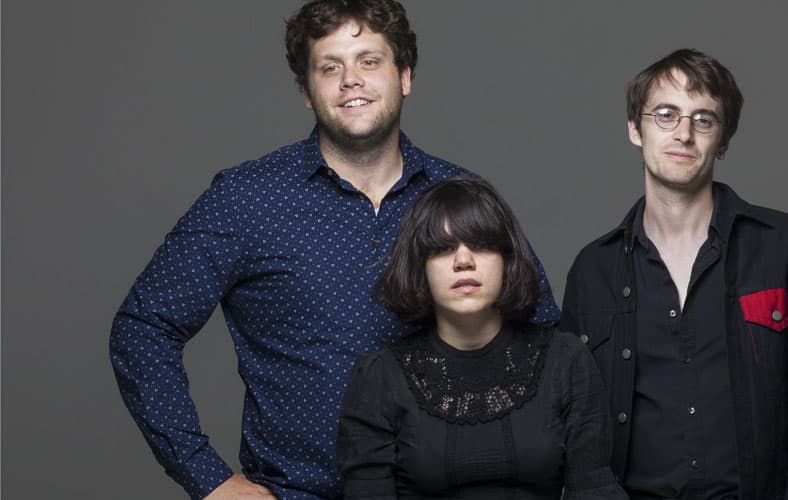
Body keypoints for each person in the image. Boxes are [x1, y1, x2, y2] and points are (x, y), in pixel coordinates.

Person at [109, 1, 559, 499]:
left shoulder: (461, 196)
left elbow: (543, 337)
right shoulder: (246, 199)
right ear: (307, 91)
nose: (351, 81)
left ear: (404, 76)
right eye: (330, 67)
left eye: (369, 61)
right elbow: (143, 329)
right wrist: (208, 478)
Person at [560, 49, 788, 500]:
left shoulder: (781, 245)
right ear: (635, 129)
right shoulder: (592, 269)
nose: (684, 134)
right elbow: (573, 422)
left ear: (724, 140)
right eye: (665, 115)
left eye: (704, 119)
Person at [336, 177, 626, 500]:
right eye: (443, 249)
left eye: (481, 244)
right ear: (421, 268)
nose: (464, 261)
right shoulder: (379, 378)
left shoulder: (566, 361)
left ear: (506, 260)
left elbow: (594, 490)